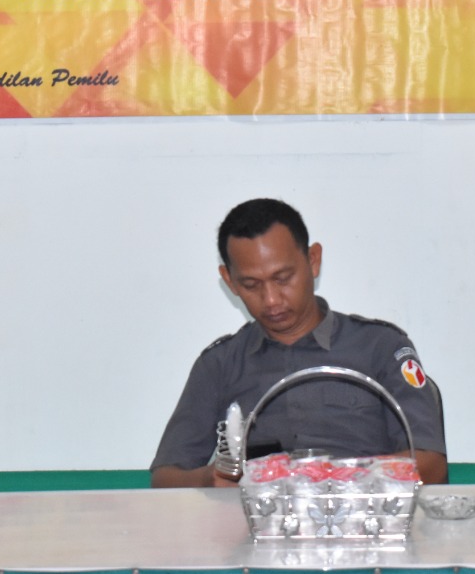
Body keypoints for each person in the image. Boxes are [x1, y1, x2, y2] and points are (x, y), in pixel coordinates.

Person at [150, 198, 448, 487]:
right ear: (229, 281)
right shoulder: (220, 364)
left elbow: (431, 465)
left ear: (313, 260)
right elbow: (166, 477)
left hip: (365, 513)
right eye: (251, 285)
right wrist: (209, 480)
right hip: (255, 518)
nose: (271, 300)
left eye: (283, 278)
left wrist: (330, 478)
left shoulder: (380, 347)